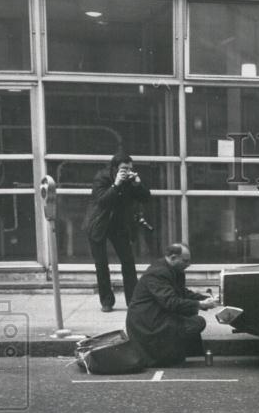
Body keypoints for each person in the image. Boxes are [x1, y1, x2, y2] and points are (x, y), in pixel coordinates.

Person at [126, 243, 218, 366]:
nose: (188, 265)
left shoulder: (173, 269)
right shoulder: (158, 273)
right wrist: (200, 304)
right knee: (198, 322)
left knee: (190, 312)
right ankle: (165, 357)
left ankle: (174, 354)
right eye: (185, 261)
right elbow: (171, 302)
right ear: (173, 258)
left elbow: (182, 293)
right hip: (147, 323)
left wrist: (207, 298)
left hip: (153, 315)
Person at [84, 153, 150, 312]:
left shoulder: (130, 181)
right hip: (98, 224)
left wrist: (138, 184)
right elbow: (102, 201)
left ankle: (132, 301)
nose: (127, 172)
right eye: (124, 169)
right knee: (101, 264)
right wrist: (116, 184)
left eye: (130, 169)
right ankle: (106, 302)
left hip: (119, 225)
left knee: (128, 262)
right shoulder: (101, 178)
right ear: (114, 168)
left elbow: (146, 198)